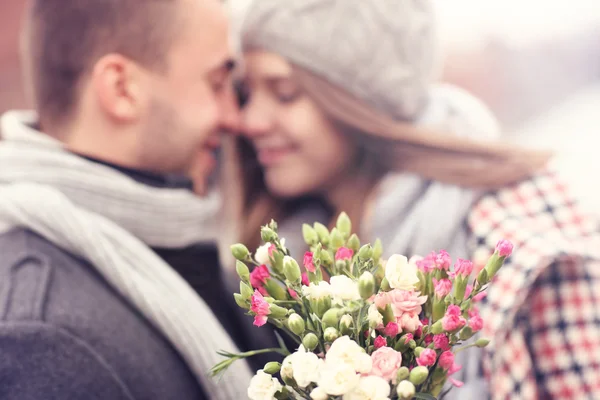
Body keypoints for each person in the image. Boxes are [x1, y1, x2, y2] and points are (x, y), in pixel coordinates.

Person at [223, 0, 600, 398]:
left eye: (284, 94)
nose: (250, 121)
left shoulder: (515, 243)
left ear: (360, 100)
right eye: (247, 93)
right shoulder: (282, 262)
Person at [0, 0, 255, 399]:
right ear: (121, 89)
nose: (233, 117)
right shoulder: (43, 338)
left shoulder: (183, 241)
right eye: (216, 84)